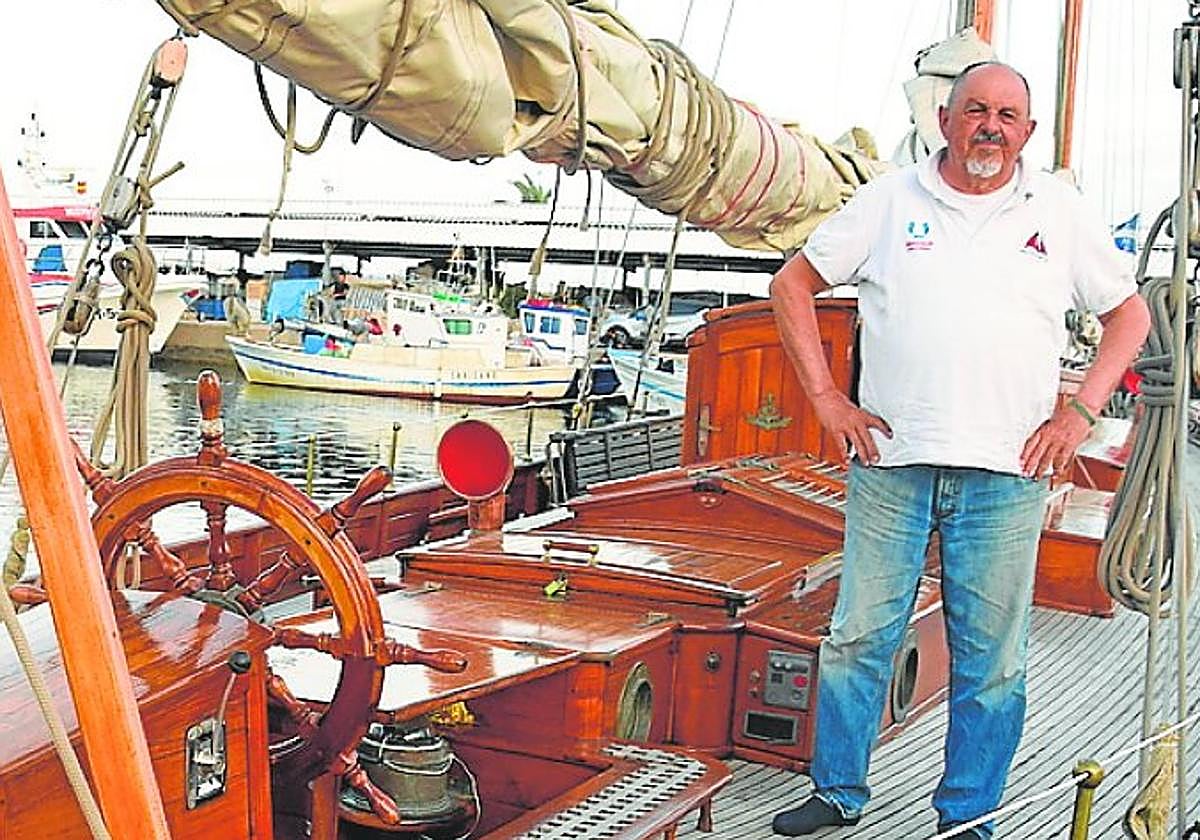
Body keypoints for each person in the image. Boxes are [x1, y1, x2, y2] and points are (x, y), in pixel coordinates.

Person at [768, 62, 1150, 838]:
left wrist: (1079, 414)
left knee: (992, 660)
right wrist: (826, 398)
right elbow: (792, 286)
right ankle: (837, 791)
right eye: (976, 111)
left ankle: (968, 817)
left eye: (1007, 116)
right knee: (857, 638)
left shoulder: (1060, 212)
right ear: (945, 119)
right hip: (892, 463)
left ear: (1027, 132)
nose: (990, 128)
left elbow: (1131, 315)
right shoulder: (889, 201)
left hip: (1008, 474)